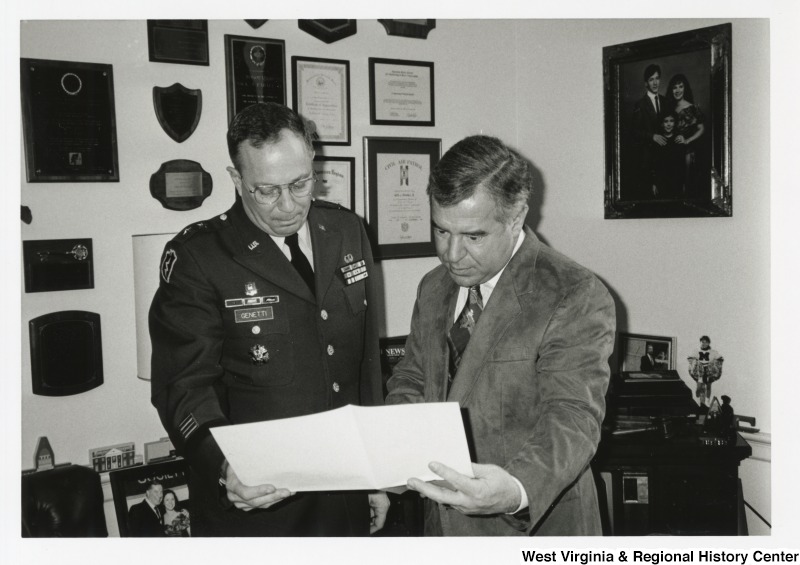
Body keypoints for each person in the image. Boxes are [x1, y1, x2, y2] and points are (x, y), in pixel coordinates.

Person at [149, 102, 389, 536]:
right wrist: (225, 467)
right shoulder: (200, 257)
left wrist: (375, 474)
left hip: (346, 493)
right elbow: (182, 386)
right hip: (258, 504)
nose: (288, 205)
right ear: (237, 180)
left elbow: (364, 365)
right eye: (267, 190)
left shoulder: (347, 231)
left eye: (301, 183)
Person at [385, 135, 616, 536]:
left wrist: (515, 489)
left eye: (473, 237)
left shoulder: (574, 293)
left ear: (516, 218)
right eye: (441, 231)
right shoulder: (434, 286)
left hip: (532, 528)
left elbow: (572, 417)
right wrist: (394, 446)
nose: (451, 254)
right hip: (443, 529)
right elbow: (413, 378)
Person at [632, 63, 670, 198]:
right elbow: (634, 132)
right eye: (651, 79)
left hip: (664, 155)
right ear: (646, 84)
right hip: (647, 157)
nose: (655, 82)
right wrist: (652, 136)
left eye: (657, 78)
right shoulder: (640, 104)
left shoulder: (665, 101)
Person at [666, 73, 706, 197]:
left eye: (680, 86)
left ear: (685, 88)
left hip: (686, 153)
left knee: (686, 187)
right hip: (671, 152)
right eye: (674, 87)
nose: (677, 90)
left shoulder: (692, 108)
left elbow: (701, 128)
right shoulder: (668, 107)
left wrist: (687, 140)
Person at [651, 111, 685, 199]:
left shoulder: (678, 140)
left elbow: (682, 164)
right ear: (662, 124)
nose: (669, 124)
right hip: (661, 180)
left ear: (675, 123)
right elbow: (655, 164)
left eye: (671, 121)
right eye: (666, 121)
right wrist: (654, 183)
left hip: (676, 180)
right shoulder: (658, 140)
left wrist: (683, 183)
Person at [687, 335, 723, 409]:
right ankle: (697, 400)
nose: (704, 343)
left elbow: (720, 359)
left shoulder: (713, 352)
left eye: (706, 342)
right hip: (700, 370)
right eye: (702, 342)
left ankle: (707, 401)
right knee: (699, 387)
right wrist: (696, 363)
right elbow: (690, 358)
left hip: (708, 370)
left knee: (708, 386)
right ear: (700, 342)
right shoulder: (696, 350)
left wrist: (713, 364)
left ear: (709, 343)